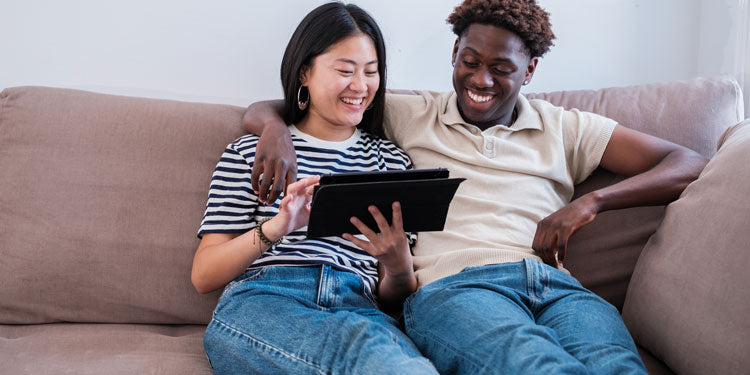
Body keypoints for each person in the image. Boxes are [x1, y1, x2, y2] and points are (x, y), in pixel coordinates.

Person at [242, 1, 709, 374]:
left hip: (559, 289)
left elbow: (686, 163)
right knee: (535, 365)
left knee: (618, 367)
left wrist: (592, 202)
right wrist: (273, 130)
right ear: (454, 56)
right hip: (457, 289)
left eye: (502, 69)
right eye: (470, 61)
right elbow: (295, 103)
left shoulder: (567, 128)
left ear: (529, 71)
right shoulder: (413, 114)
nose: (480, 80)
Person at [190, 3, 438, 374]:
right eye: (344, 70)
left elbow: (392, 295)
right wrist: (276, 228)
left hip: (360, 308)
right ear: (305, 71)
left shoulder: (392, 164)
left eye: (371, 72)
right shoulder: (251, 153)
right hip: (266, 300)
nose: (360, 86)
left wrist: (399, 266)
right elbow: (204, 275)